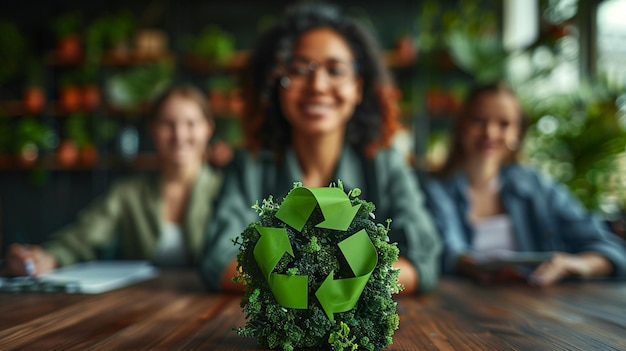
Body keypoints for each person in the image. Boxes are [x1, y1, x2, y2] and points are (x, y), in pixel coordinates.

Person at [201, 3, 441, 294]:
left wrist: (302, 285)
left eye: (336, 70)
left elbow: (423, 261)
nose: (318, 85)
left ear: (358, 87)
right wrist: (334, 285)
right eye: (300, 69)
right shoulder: (250, 165)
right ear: (277, 83)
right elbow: (220, 261)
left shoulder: (383, 162)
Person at [4, 84, 223, 276]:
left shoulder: (225, 191)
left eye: (191, 123)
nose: (179, 135)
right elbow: (83, 236)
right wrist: (46, 258)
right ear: (153, 130)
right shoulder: (129, 193)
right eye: (168, 123)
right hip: (139, 307)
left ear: (208, 129)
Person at [423, 81, 626, 285]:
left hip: (535, 306)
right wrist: (478, 268)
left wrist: (577, 265)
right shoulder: (434, 190)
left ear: (517, 133)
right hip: (456, 308)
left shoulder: (536, 186)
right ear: (461, 125)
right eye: (478, 120)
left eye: (504, 124)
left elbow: (607, 247)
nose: (490, 133)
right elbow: (447, 252)